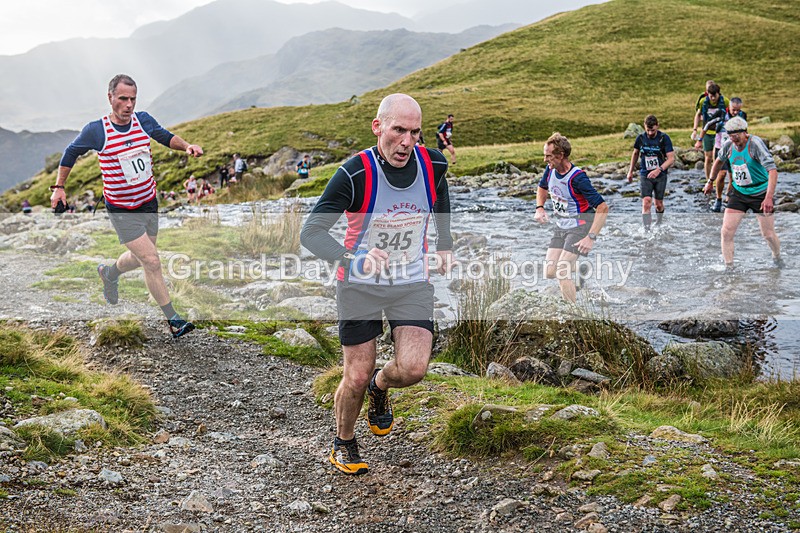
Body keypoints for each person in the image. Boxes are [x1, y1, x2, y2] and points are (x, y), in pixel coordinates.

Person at [300, 93, 454, 475]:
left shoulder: (433, 163)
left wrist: (446, 243)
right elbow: (311, 232)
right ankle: (344, 442)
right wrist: (354, 259)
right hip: (360, 285)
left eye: (415, 132)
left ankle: (380, 387)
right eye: (399, 130)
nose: (407, 142)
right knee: (355, 373)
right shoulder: (354, 173)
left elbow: (441, 197)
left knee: (414, 369)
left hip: (412, 281)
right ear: (378, 127)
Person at [50, 74, 202, 338]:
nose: (129, 104)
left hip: (148, 201)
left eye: (132, 99)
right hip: (121, 209)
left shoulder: (143, 120)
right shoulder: (97, 130)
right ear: (110, 98)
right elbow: (70, 153)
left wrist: (186, 146)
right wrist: (59, 187)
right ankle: (173, 320)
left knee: (142, 257)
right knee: (152, 261)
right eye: (123, 99)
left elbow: (165, 136)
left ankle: (109, 273)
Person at [534, 132, 608, 302]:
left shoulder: (578, 178)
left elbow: (603, 207)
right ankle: (580, 267)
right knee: (550, 271)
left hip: (581, 224)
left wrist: (591, 237)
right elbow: (542, 188)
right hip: (561, 225)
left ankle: (572, 316)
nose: (545, 160)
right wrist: (540, 208)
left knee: (562, 271)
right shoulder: (550, 170)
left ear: (560, 156)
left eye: (548, 156)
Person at [702, 116, 783, 269]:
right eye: (731, 137)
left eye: (737, 137)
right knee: (726, 232)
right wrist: (710, 181)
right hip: (739, 193)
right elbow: (718, 161)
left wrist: (768, 198)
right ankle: (729, 268)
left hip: (760, 193)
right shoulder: (728, 144)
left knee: (768, 235)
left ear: (745, 132)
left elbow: (772, 171)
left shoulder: (755, 144)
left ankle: (777, 256)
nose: (734, 141)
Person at [626, 115, 675, 230]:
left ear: (657, 126)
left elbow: (671, 159)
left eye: (652, 130)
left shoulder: (664, 138)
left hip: (660, 175)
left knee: (658, 204)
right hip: (645, 174)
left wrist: (659, 170)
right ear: (644, 126)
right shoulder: (641, 138)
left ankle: (659, 222)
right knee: (646, 202)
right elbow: (635, 153)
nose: (650, 132)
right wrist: (630, 171)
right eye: (647, 130)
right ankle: (647, 230)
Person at [711, 97, 748, 212]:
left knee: (733, 176)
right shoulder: (721, 113)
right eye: (733, 110)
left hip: (735, 149)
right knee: (721, 174)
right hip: (721, 147)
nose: (735, 112)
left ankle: (729, 197)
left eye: (738, 110)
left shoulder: (743, 115)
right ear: (729, 107)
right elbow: (708, 124)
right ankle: (718, 199)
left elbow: (745, 131)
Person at [694, 82, 727, 186]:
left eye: (715, 96)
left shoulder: (725, 101)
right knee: (707, 157)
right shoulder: (703, 101)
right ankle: (709, 181)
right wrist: (695, 129)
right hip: (707, 132)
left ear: (719, 94)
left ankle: (716, 179)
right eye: (711, 96)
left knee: (715, 156)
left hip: (720, 133)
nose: (713, 99)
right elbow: (698, 115)